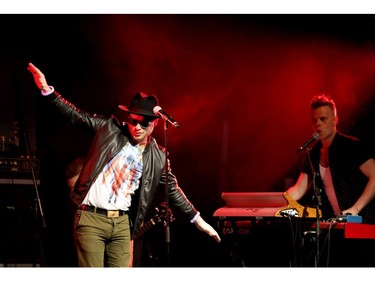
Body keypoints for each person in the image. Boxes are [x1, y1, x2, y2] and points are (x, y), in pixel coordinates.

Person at [27, 62, 221, 267]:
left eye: (143, 123)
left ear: (154, 123)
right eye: (133, 120)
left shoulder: (158, 156)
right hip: (92, 218)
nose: (137, 127)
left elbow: (172, 190)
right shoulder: (110, 129)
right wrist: (47, 90)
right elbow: (77, 116)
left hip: (121, 224)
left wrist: (198, 220)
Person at [286, 94, 375, 266]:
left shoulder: (351, 147)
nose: (317, 123)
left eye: (323, 119)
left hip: (365, 222)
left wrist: (355, 208)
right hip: (338, 226)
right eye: (314, 120)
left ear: (335, 120)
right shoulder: (313, 153)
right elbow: (298, 189)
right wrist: (275, 203)